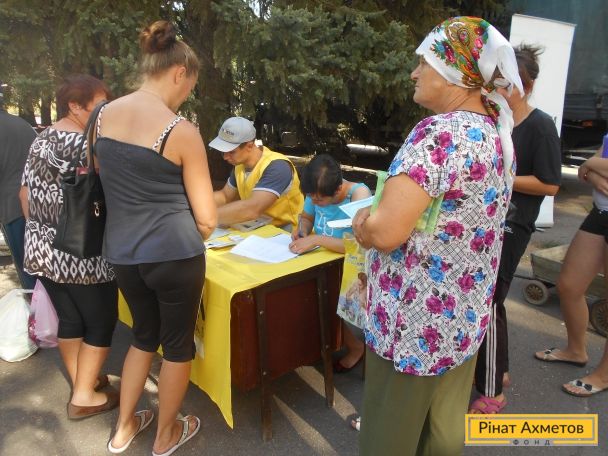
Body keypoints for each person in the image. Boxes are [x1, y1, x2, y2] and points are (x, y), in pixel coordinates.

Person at [352, 16, 522, 455]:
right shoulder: (493, 133)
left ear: (452, 72)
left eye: (423, 63)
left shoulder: (440, 133)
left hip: (414, 326)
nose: (414, 73)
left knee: (389, 438)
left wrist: (362, 224)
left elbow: (385, 232)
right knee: (442, 434)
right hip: (460, 321)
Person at [95, 20, 217, 455]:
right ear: (179, 73)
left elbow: (106, 179)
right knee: (178, 346)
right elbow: (207, 219)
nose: (186, 96)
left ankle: (123, 429)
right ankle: (165, 435)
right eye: (189, 87)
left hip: (123, 252)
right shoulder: (180, 130)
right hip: (174, 254)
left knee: (143, 336)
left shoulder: (102, 115)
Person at [19, 74, 119, 419]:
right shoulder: (84, 144)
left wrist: (41, 233)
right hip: (81, 252)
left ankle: (83, 382)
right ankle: (83, 398)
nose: (105, 112)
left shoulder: (41, 139)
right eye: (100, 106)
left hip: (41, 250)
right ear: (75, 106)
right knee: (102, 321)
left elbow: (24, 194)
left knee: (71, 319)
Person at [470, 44, 562, 413]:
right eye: (497, 84)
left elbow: (550, 184)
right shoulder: (498, 121)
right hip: (486, 222)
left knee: (490, 301)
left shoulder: (541, 126)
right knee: (488, 298)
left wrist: (503, 177)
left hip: (514, 225)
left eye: (508, 85)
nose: (500, 92)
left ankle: (493, 390)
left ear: (528, 86)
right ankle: (500, 369)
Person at [535, 135, 608, 397]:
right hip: (600, 213)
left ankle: (604, 374)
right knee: (568, 286)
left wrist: (590, 164)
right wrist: (592, 170)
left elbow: (589, 164)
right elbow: (583, 172)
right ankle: (576, 351)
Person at [289, 153, 372, 372]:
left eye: (319, 200)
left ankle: (356, 348)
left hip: (351, 266)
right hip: (321, 259)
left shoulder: (358, 194)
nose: (314, 202)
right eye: (311, 198)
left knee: (339, 307)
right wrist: (302, 230)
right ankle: (319, 345)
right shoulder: (316, 191)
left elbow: (358, 244)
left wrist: (316, 239)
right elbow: (307, 217)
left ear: (337, 190)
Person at [210, 116, 304, 230]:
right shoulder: (239, 165)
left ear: (249, 146)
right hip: (257, 229)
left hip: (288, 232)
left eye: (231, 151)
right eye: (223, 151)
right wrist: (197, 207)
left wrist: (207, 217)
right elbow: (225, 196)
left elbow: (252, 209)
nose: (225, 157)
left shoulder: (277, 166)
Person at [0, 85, 37, 289]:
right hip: (37, 203)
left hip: (11, 207)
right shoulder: (22, 124)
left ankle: (34, 305)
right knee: (38, 266)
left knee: (26, 271)